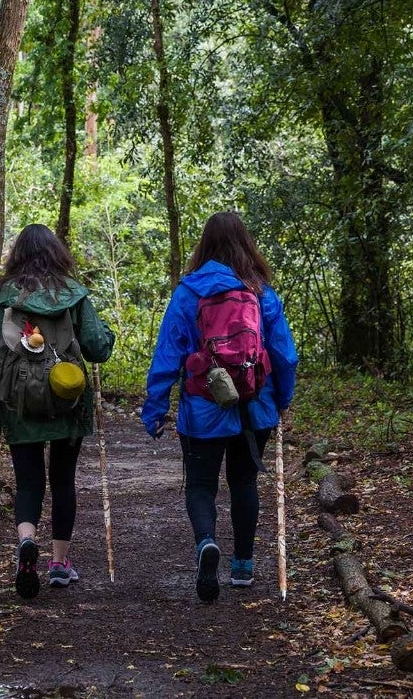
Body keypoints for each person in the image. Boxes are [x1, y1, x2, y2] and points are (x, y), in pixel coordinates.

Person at [139, 211, 298, 603]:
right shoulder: (260, 291)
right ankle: (243, 564)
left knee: (200, 485)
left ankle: (207, 543)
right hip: (254, 405)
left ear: (204, 246)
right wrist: (281, 399)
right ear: (247, 244)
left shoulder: (189, 291)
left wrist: (155, 408)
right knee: (244, 482)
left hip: (202, 407)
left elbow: (167, 354)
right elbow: (284, 355)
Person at [0, 224, 116, 599]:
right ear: (57, 253)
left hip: (19, 402)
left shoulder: (4, 296)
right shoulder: (73, 293)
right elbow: (97, 348)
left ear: (17, 255)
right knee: (63, 480)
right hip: (67, 400)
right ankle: (58, 564)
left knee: (29, 481)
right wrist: (108, 337)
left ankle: (26, 541)